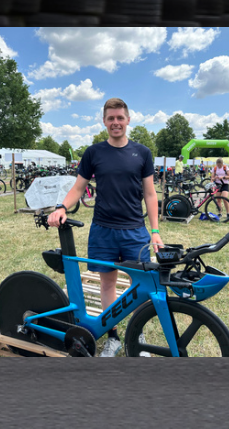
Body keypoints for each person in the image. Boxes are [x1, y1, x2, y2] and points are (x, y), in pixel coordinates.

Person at [50, 98, 160, 356]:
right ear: (104, 121)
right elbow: (79, 188)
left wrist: (155, 231)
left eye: (120, 118)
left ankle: (137, 336)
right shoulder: (93, 153)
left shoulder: (142, 153)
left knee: (139, 286)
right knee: (107, 284)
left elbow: (150, 194)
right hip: (103, 230)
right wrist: (61, 207)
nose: (116, 122)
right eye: (111, 118)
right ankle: (113, 337)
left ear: (128, 120)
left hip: (135, 230)